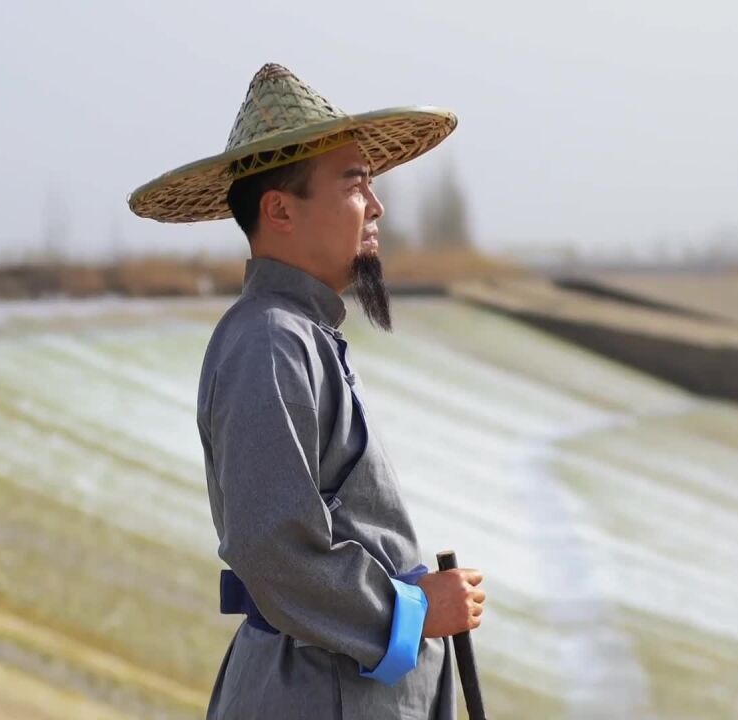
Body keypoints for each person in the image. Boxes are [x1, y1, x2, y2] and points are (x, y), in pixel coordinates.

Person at [129, 63, 486, 720]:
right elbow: (273, 547)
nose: (376, 207)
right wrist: (411, 611)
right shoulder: (269, 341)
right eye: (355, 186)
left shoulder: (300, 335)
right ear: (280, 209)